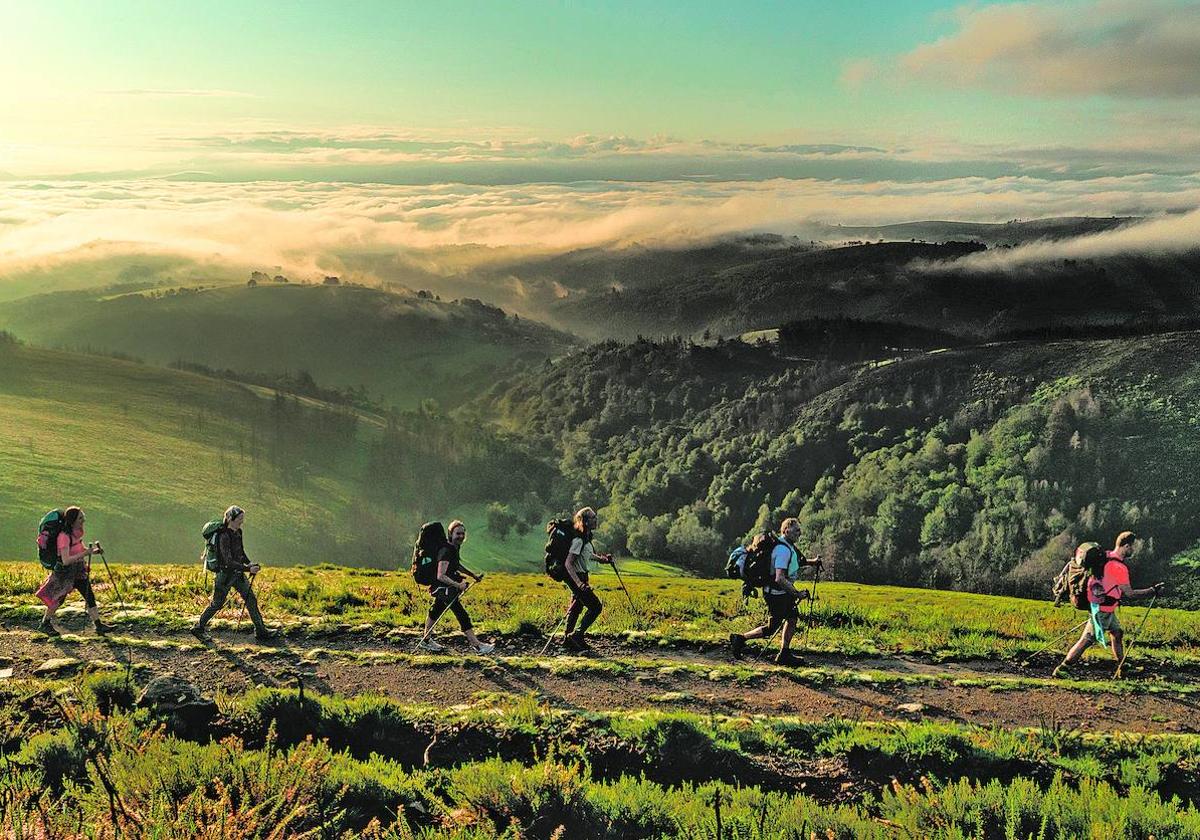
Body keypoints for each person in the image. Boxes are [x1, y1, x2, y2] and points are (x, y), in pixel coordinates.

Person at [1054, 531, 1163, 677]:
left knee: (1117, 633)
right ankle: (1063, 668)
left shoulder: (1105, 556)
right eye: (1132, 547)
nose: (1133, 550)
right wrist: (1152, 591)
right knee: (1087, 639)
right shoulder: (1119, 568)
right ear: (1125, 546)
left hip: (1103, 607)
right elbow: (1130, 594)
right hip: (1102, 609)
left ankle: (1122, 667)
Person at [728, 517, 821, 666]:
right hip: (776, 594)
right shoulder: (782, 550)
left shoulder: (786, 546)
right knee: (772, 628)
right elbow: (780, 578)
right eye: (796, 529)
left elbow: (796, 561)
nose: (799, 533)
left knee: (792, 618)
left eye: (800, 530)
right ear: (786, 530)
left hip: (782, 593)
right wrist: (797, 593)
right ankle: (740, 638)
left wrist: (813, 562)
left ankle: (784, 653)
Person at [191, 505, 276, 642]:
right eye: (240, 518)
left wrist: (249, 563)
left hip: (238, 574)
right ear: (231, 519)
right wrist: (248, 569)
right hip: (224, 576)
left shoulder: (238, 532)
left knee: (251, 600)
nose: (242, 521)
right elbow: (227, 561)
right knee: (217, 604)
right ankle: (198, 627)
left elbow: (241, 553)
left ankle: (261, 631)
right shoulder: (223, 536)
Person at [418, 520, 494, 654]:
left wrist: (473, 575)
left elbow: (456, 565)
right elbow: (440, 575)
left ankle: (426, 640)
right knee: (462, 614)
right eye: (458, 533)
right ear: (450, 533)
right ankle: (477, 645)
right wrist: (458, 585)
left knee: (436, 610)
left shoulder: (453, 548)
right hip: (443, 588)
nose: (461, 536)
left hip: (443, 588)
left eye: (463, 534)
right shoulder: (446, 550)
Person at [36, 507, 109, 636]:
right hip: (65, 573)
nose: (83, 520)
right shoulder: (63, 537)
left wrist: (93, 552)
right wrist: (85, 553)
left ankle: (98, 625)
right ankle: (44, 623)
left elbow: (78, 549)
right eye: (80, 518)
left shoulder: (76, 533)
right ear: (72, 520)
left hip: (78, 571)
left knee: (89, 596)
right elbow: (65, 560)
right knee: (58, 599)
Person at [560, 507, 614, 651]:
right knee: (596, 607)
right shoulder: (578, 540)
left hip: (582, 576)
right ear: (585, 521)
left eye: (595, 517)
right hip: (577, 577)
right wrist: (578, 583)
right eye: (592, 518)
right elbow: (568, 563)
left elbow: (589, 556)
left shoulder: (586, 539)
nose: (596, 519)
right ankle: (576, 635)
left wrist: (604, 560)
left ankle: (567, 640)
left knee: (576, 607)